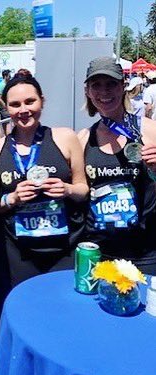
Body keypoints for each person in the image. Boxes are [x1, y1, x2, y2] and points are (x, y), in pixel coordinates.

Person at [0, 74, 88, 288]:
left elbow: (83, 189)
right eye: (15, 104)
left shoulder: (65, 137)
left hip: (65, 248)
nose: (23, 110)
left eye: (30, 101)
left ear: (42, 101)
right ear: (6, 107)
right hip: (20, 252)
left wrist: (67, 189)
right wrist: (12, 198)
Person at [78, 56, 156, 275]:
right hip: (99, 252)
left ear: (123, 86)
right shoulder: (84, 139)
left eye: (111, 83)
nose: (104, 92)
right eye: (97, 85)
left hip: (146, 252)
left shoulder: (149, 130)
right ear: (88, 91)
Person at [0, 69, 12, 134]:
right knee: (7, 123)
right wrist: (5, 106)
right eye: (9, 75)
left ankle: (5, 136)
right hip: (4, 108)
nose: (10, 77)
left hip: (7, 106)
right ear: (5, 76)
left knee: (5, 123)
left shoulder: (8, 84)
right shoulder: (2, 85)